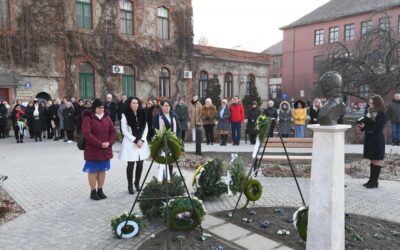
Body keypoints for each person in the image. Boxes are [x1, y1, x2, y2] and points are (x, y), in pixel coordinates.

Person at [82, 99, 116, 200]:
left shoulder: (107, 117)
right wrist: (99, 144)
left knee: (102, 170)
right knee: (93, 171)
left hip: (105, 149)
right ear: (94, 108)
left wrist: (109, 142)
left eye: (102, 107)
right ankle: (93, 191)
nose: (101, 109)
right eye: (99, 107)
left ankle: (100, 189)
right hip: (93, 149)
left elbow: (113, 132)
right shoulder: (88, 118)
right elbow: (87, 133)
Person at [119, 97, 149, 194]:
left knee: (140, 164)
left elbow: (146, 128)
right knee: (131, 165)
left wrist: (143, 140)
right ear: (129, 104)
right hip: (130, 143)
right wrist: (135, 140)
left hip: (141, 143)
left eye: (137, 103)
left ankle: (137, 183)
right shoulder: (125, 114)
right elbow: (124, 131)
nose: (135, 105)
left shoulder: (142, 113)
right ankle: (130, 185)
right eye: (133, 103)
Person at [356, 95, 388, 188]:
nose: (369, 104)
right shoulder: (370, 113)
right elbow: (367, 124)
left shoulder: (382, 114)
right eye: (369, 103)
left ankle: (375, 182)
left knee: (376, 160)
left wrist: (365, 127)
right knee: (372, 159)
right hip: (370, 138)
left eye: (371, 103)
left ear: (377, 103)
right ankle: (371, 181)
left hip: (377, 139)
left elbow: (378, 127)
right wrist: (361, 126)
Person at [152, 99, 180, 178]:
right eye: (166, 106)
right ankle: (162, 180)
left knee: (170, 161)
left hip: (173, 142)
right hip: (162, 142)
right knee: (163, 161)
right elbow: (155, 129)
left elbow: (179, 129)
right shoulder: (157, 117)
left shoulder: (174, 116)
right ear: (162, 106)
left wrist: (177, 138)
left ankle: (170, 178)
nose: (168, 107)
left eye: (169, 106)